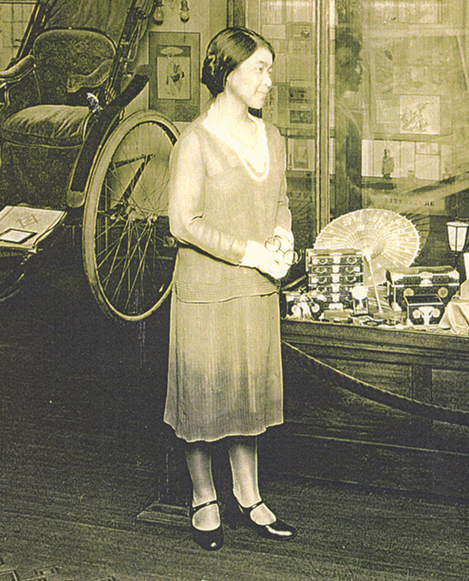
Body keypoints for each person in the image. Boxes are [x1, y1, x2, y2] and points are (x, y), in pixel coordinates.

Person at [165, 27, 297, 550]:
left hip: (257, 289)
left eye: (270, 69)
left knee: (247, 394)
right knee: (202, 396)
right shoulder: (195, 141)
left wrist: (282, 237)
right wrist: (251, 252)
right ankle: (204, 497)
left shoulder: (273, 137)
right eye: (259, 69)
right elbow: (183, 223)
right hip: (205, 290)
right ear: (227, 72)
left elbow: (280, 201)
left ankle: (249, 494)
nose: (269, 80)